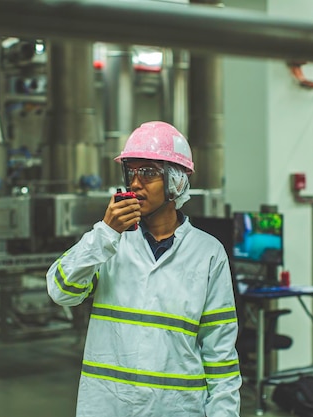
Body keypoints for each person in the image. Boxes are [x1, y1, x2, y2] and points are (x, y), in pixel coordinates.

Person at [46, 121, 242, 417]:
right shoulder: (108, 243)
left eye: (149, 172)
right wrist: (105, 233)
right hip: (109, 406)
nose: (135, 183)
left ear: (177, 180)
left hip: (177, 409)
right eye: (131, 172)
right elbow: (61, 291)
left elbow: (220, 353)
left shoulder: (208, 253)